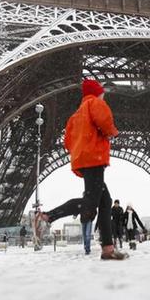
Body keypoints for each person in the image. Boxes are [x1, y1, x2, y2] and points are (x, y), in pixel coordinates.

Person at [33, 79, 127, 260]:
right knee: (91, 202)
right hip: (94, 159)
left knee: (105, 201)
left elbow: (67, 141)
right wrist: (112, 132)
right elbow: (105, 121)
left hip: (83, 160)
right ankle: (47, 216)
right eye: (102, 93)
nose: (103, 95)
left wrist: (81, 148)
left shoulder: (75, 115)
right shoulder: (95, 103)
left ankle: (108, 249)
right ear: (97, 92)